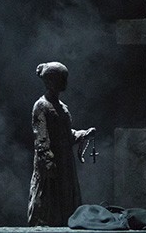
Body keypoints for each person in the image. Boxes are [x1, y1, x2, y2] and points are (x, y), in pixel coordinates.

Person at [27, 61, 95, 226]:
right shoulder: (41, 106)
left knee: (66, 201)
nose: (65, 82)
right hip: (51, 166)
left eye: (65, 78)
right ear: (50, 81)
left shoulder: (62, 108)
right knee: (48, 203)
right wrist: (48, 162)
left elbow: (66, 134)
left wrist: (83, 134)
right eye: (61, 78)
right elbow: (41, 137)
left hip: (65, 163)